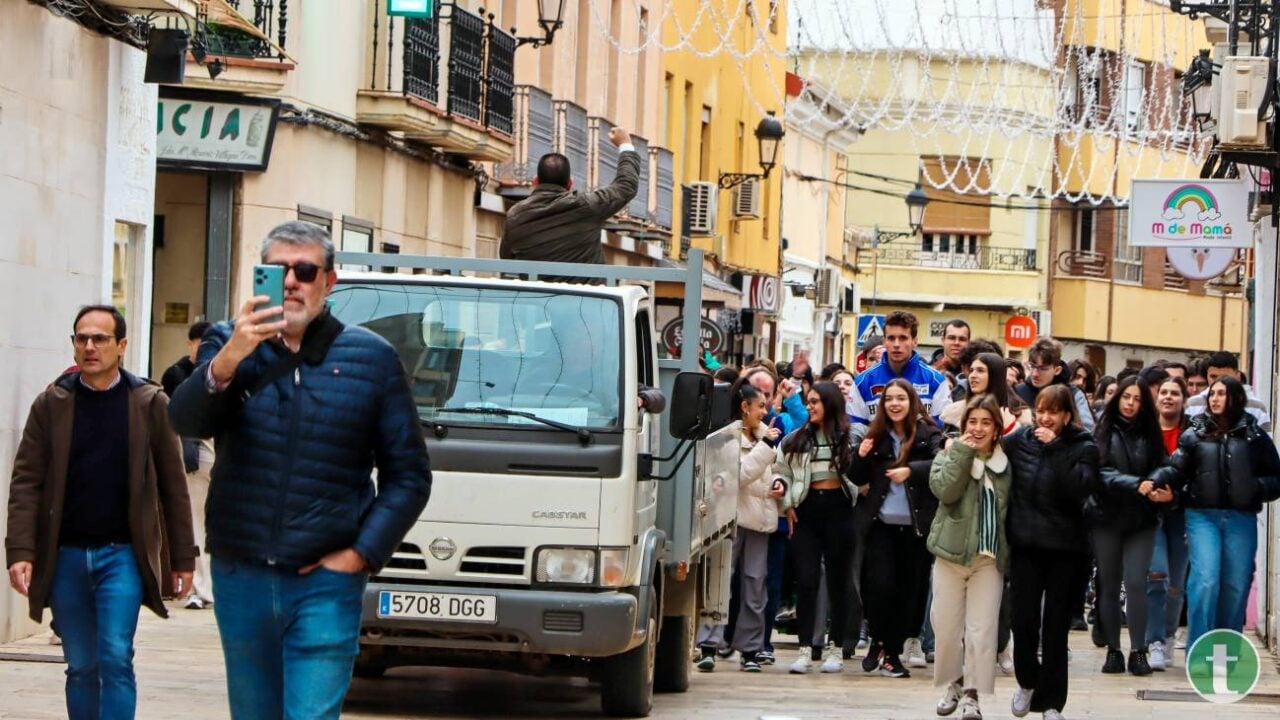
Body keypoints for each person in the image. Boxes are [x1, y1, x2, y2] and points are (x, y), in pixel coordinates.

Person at [168, 221, 433, 719]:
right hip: (241, 572)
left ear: (329, 282)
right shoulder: (227, 342)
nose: (290, 282)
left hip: (323, 580)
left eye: (305, 270)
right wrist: (228, 360)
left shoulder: (372, 359)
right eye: (277, 270)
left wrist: (360, 554)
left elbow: (410, 475)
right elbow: (183, 419)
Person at [6, 305, 196, 719]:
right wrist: (20, 550)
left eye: (100, 339)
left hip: (121, 555)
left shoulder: (148, 403)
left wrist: (183, 558)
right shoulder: (52, 404)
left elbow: (173, 487)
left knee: (114, 657)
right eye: (81, 338)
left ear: (121, 346)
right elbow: (26, 482)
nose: (89, 347)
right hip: (66, 556)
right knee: (81, 665)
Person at [1155, 376, 1280, 651]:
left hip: (1241, 518)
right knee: (1206, 580)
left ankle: (1225, 652)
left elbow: (1275, 478)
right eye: (1213, 393)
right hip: (1202, 516)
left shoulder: (1255, 436)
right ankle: (1199, 650)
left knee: (1236, 584)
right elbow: (1176, 470)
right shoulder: (1195, 433)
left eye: (1222, 393)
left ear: (1235, 397)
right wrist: (1155, 482)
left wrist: (1254, 487)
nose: (1214, 398)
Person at [1006, 385, 1100, 720]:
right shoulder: (1019, 441)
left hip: (1066, 548)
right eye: (1041, 410)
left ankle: (1051, 703)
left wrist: (1057, 448)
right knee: (1023, 620)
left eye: (1053, 412)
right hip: (1025, 545)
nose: (1045, 418)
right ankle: (1027, 681)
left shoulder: (1083, 445)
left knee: (1056, 628)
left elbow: (1081, 487)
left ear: (1066, 414)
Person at [849, 379, 944, 679]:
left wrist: (911, 470)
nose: (894, 404)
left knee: (910, 593)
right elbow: (855, 476)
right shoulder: (875, 436)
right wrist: (860, 455)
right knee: (878, 587)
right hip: (880, 526)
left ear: (911, 401)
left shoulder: (927, 433)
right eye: (889, 399)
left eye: (900, 398)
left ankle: (890, 651)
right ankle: (880, 644)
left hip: (915, 529)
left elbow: (942, 462)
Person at [928, 394, 1012, 720]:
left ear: (996, 429)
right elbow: (945, 491)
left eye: (985, 423)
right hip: (950, 556)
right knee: (946, 628)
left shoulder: (1007, 465)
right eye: (972, 422)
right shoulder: (949, 455)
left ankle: (973, 697)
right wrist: (961, 454)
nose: (978, 428)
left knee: (982, 631)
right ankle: (955, 682)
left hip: (988, 560)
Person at [1088, 377, 1174, 677]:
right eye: (1126, 397)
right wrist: (1136, 484)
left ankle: (1139, 650)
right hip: (1106, 517)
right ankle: (1113, 649)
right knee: (1109, 585)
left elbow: (1167, 464)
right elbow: (1099, 473)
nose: (1130, 403)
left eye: (1137, 399)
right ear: (1117, 398)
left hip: (1141, 519)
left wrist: (1158, 483)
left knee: (1137, 582)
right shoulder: (1102, 431)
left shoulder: (1150, 433)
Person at [695, 382, 784, 672]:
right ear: (745, 407)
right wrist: (766, 447)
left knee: (755, 584)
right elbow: (739, 476)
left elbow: (777, 471)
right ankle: (709, 644)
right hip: (727, 521)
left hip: (759, 520)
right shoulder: (724, 438)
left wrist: (780, 485)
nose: (765, 410)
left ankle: (750, 649)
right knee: (719, 581)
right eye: (760, 405)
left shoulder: (766, 439)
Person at [775, 382, 856, 674]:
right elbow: (780, 471)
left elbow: (861, 474)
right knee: (806, 580)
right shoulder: (796, 439)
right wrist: (784, 499)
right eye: (808, 402)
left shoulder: (849, 437)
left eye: (815, 402)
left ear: (830, 404)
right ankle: (805, 648)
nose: (809, 406)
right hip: (806, 511)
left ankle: (836, 648)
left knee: (838, 581)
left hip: (840, 510)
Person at [499, 126, 639, 269]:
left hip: (538, 291)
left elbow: (507, 257)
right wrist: (625, 144)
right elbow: (626, 186)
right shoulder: (587, 206)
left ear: (535, 181)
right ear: (570, 183)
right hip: (584, 291)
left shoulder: (515, 215)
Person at [161, 320, 216, 610]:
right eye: (201, 344)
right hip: (192, 455)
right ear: (190, 344)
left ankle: (207, 587)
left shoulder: (216, 372)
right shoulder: (178, 374)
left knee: (210, 524)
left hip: (216, 457)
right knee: (195, 523)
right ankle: (200, 588)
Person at [1146, 377, 1190, 671]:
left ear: (1184, 400)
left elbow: (1199, 476)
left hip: (1182, 513)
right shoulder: (1146, 432)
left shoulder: (1192, 434)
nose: (1169, 397)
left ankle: (1171, 633)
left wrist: (1175, 495)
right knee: (1156, 574)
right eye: (1164, 392)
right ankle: (1155, 641)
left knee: (1176, 584)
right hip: (1150, 513)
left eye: (1175, 393)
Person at [849, 311, 952, 428]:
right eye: (891, 338)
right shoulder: (863, 381)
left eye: (903, 338)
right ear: (884, 341)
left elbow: (943, 430)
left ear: (915, 341)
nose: (896, 344)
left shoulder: (936, 380)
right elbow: (854, 429)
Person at [1013, 337, 1094, 431]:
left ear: (1057, 370)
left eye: (1043, 369)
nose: (1035, 374)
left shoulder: (1073, 394)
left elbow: (1087, 433)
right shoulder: (1017, 392)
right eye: (1032, 366)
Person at [941, 353, 1031, 435]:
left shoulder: (1019, 414)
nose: (972, 375)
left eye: (980, 370)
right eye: (971, 370)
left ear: (996, 375)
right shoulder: (954, 412)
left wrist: (1010, 429)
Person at [1184, 351, 1272, 433]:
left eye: (1225, 377)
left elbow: (1266, 445)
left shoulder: (1256, 406)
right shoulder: (1193, 404)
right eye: (1213, 376)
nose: (1218, 381)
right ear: (1207, 375)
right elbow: (1186, 439)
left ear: (1237, 376)